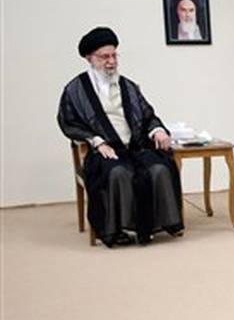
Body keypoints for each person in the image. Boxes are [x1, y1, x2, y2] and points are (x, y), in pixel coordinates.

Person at [57, 27, 183, 247]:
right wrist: (97, 142)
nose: (111, 62)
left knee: (160, 168)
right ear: (89, 58)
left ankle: (158, 224)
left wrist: (158, 130)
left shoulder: (128, 86)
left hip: (135, 147)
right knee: (117, 173)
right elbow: (69, 122)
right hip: (105, 150)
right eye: (104, 57)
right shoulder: (75, 90)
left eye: (114, 55)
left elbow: (147, 115)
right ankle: (118, 229)